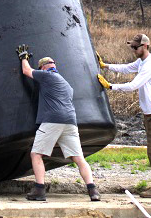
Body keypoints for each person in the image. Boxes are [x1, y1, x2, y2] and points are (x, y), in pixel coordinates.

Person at [96, 33, 151, 198]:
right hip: (150, 112)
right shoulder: (142, 61)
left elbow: (133, 85)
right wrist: (105, 66)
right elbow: (127, 67)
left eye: (135, 47)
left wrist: (110, 87)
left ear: (145, 46)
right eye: (132, 46)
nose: (133, 49)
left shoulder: (149, 65)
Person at [16, 45, 101, 202]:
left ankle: (39, 190)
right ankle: (93, 191)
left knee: (36, 154)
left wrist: (23, 57)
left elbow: (27, 71)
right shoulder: (66, 84)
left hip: (52, 120)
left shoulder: (46, 76)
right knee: (79, 158)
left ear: (43, 68)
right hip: (70, 122)